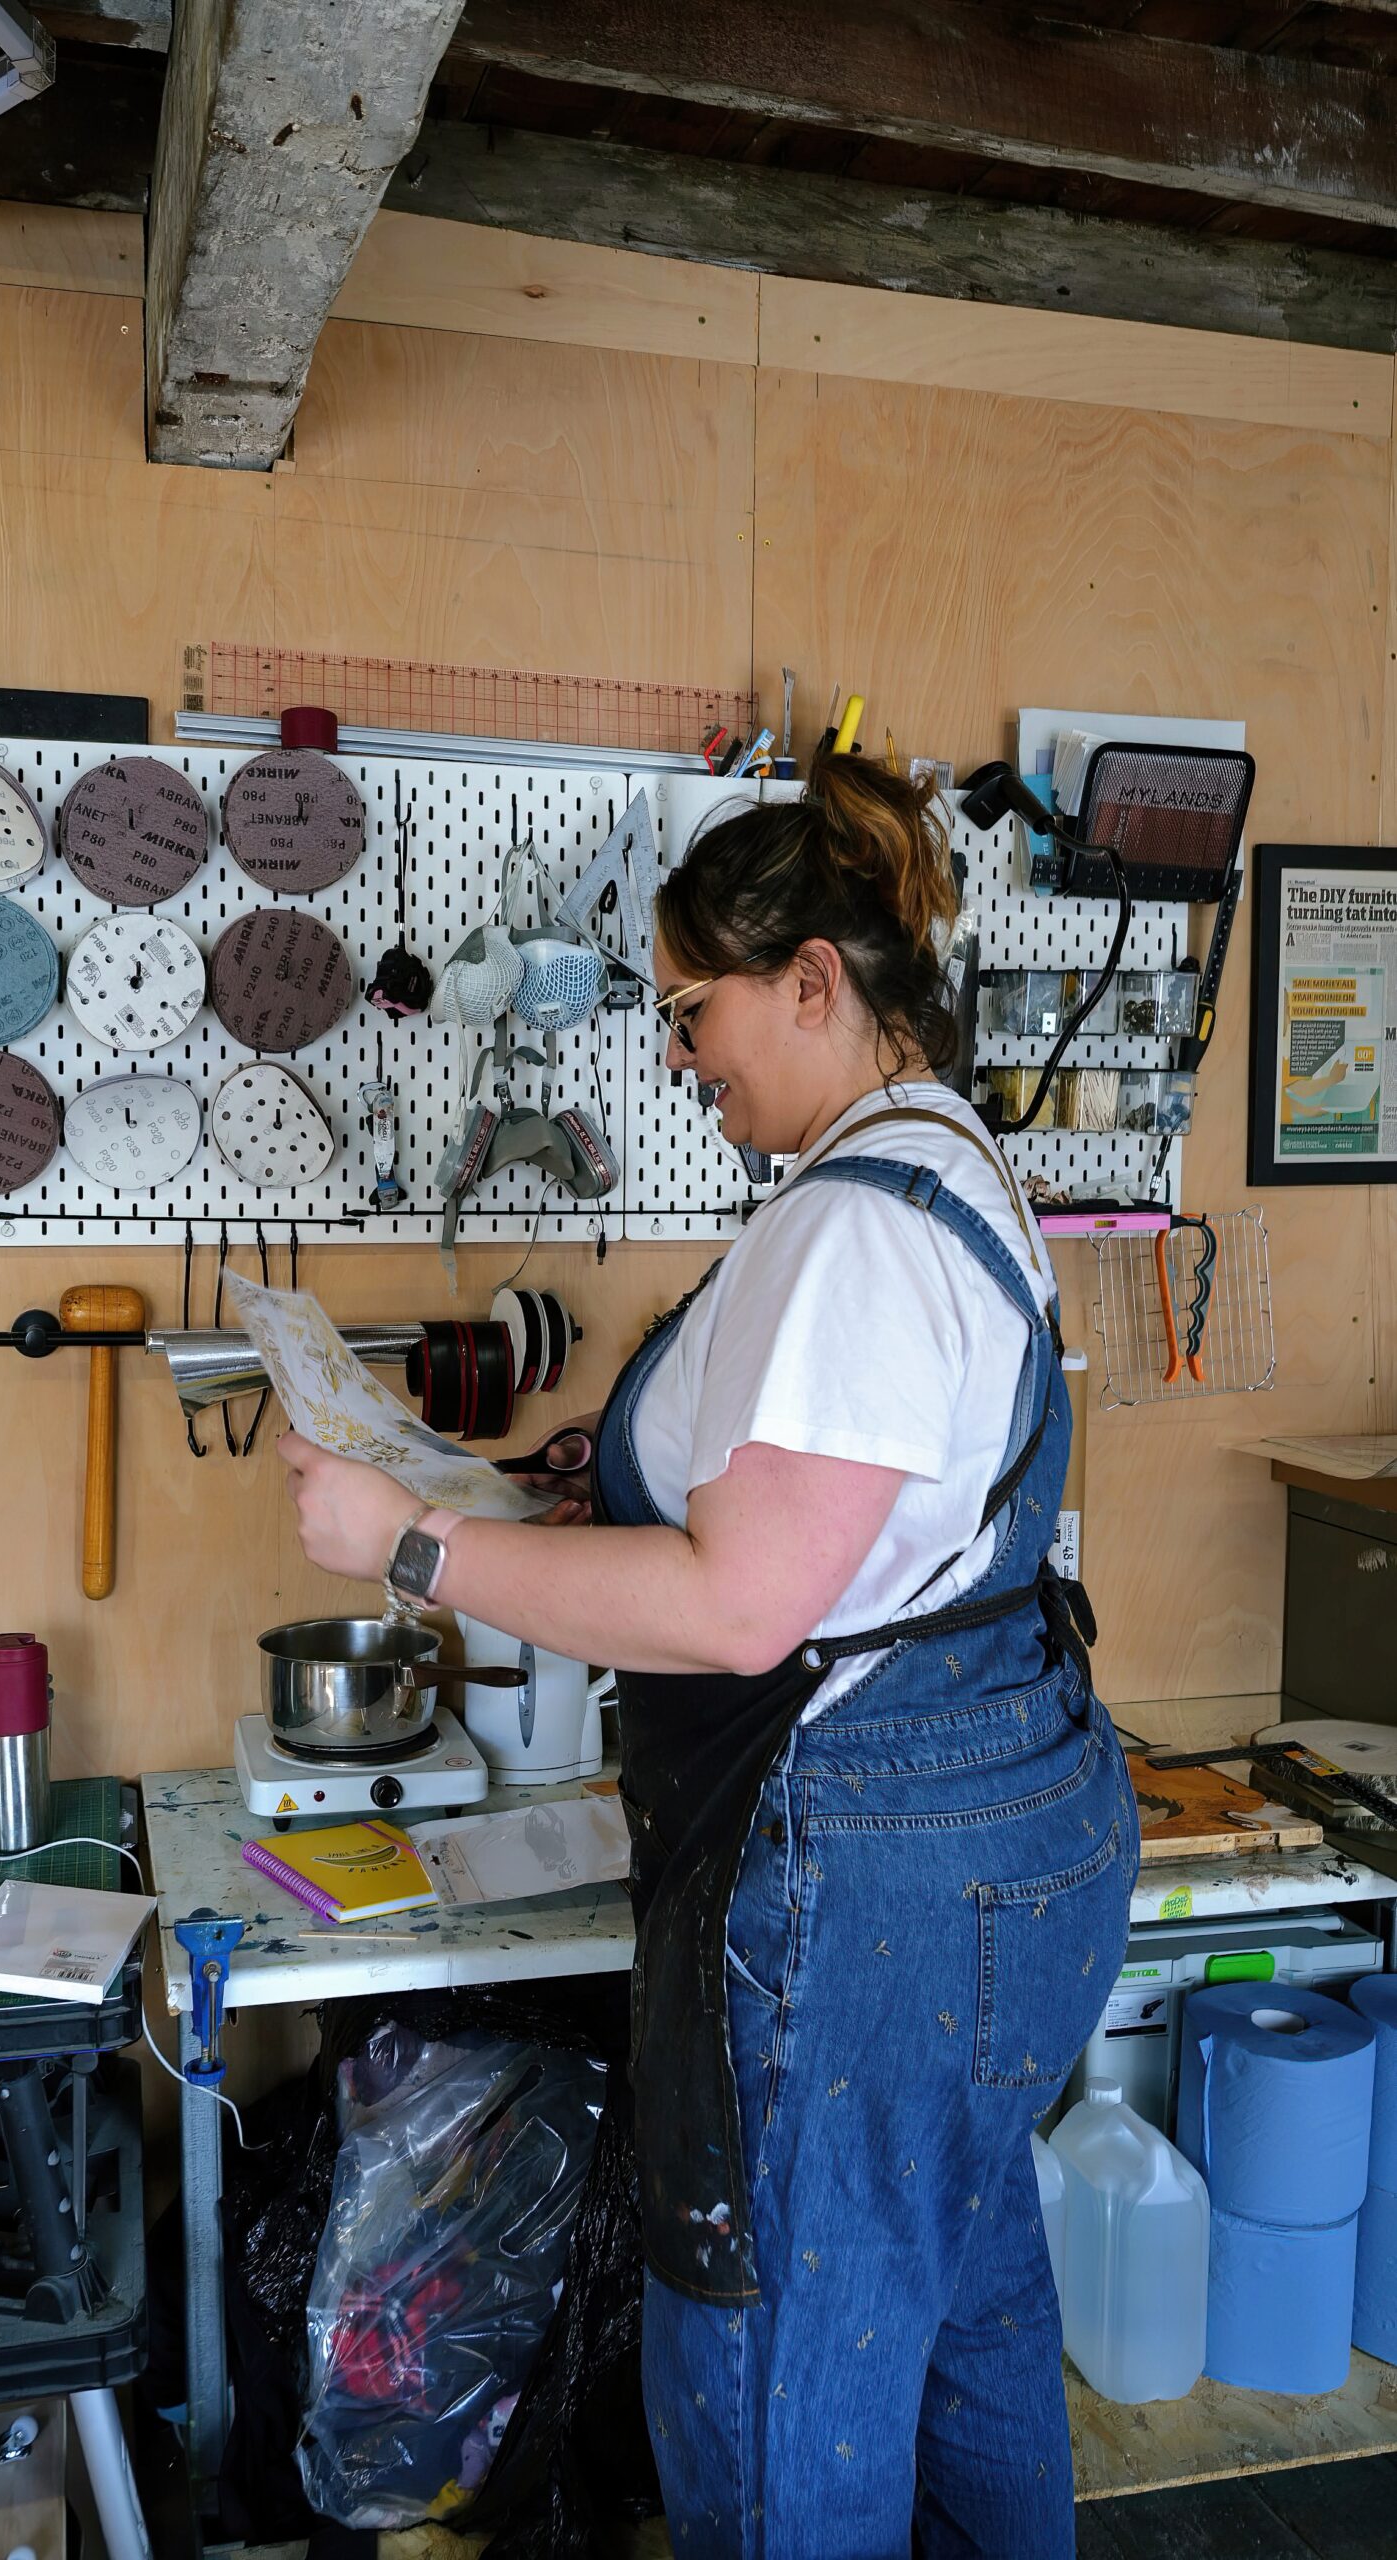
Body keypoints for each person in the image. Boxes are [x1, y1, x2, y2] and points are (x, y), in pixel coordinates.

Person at [279, 760, 1139, 2558]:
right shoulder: (946, 1161)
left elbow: (744, 1610)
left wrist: (415, 1543)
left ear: (814, 981)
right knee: (968, 2319)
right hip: (1009, 1826)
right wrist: (624, 1465)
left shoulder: (850, 1228)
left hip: (878, 1887)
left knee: (775, 2385)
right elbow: (846, 1514)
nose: (681, 1055)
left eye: (695, 1011)